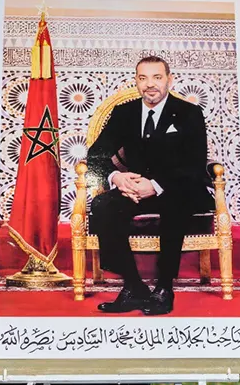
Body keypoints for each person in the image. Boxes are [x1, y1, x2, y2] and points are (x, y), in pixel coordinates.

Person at [86, 55, 213, 315]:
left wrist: (155, 185)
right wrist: (117, 178)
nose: (150, 84)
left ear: (169, 79)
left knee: (175, 204)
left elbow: (195, 164)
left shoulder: (189, 113)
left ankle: (164, 288)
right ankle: (134, 287)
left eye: (157, 77)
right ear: (136, 81)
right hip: (135, 188)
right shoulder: (125, 112)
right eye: (143, 78)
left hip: (178, 187)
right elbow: (95, 155)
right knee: (102, 205)